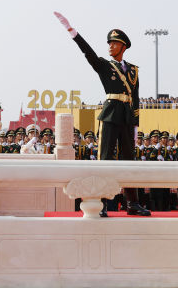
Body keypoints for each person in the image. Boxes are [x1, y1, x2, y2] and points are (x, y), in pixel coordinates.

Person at [55, 12, 149, 217]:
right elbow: (89, 54)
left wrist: (135, 124)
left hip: (126, 117)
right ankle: (102, 203)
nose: (110, 46)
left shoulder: (133, 70)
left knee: (129, 161)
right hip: (110, 115)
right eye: (109, 43)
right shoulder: (105, 66)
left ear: (123, 46)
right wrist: (73, 33)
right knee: (105, 159)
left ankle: (132, 203)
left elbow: (135, 98)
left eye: (114, 43)